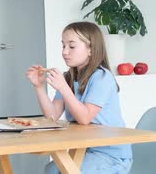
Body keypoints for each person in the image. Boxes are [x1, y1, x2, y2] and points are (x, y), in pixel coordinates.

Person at [26, 21, 132, 174]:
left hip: (112, 156)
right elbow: (52, 116)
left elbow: (85, 118)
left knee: (61, 172)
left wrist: (63, 87)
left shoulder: (102, 77)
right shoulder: (69, 77)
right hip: (85, 151)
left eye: (72, 46)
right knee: (51, 170)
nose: (64, 52)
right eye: (63, 45)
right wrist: (39, 87)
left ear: (90, 49)